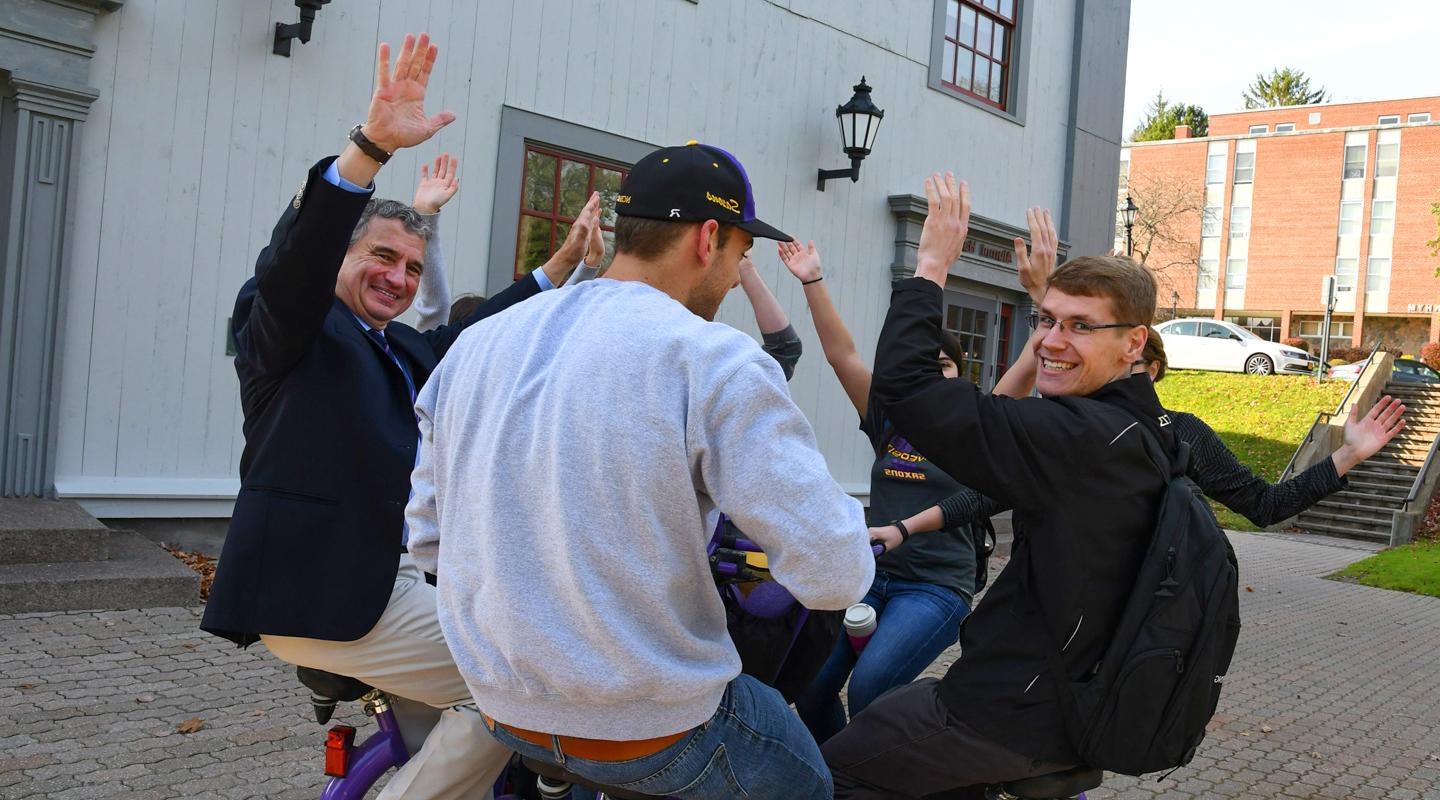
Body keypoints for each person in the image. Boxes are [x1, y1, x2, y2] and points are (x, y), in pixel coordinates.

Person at [406, 141, 883, 800]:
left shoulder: (475, 346)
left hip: (504, 709)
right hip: (651, 729)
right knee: (809, 781)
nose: (733, 275)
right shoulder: (712, 358)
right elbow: (835, 575)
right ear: (708, 238)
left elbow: (429, 538)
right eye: (740, 257)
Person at [199, 34, 594, 799]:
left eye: (412, 268)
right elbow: (294, 261)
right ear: (342, 257)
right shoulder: (293, 325)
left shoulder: (395, 347)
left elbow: (465, 336)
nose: (398, 277)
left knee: (466, 748)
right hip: (322, 592)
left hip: (383, 581)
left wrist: (556, 268)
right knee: (522, 684)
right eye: (381, 256)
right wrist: (369, 148)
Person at [821, 172, 1180, 798]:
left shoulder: (1076, 437)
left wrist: (932, 264)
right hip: (1056, 697)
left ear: (1134, 344)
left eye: (1079, 326)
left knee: (836, 769)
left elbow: (905, 388)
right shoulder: (1140, 428)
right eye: (1049, 322)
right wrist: (1056, 302)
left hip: (1010, 709)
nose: (1054, 341)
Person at [786, 208, 1058, 744]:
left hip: (934, 587)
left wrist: (1042, 297)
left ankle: (878, 773)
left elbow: (1030, 362)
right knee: (812, 688)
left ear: (961, 376)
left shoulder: (980, 424)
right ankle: (839, 774)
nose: (935, 375)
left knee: (870, 687)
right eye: (926, 365)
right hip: (866, 573)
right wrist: (813, 280)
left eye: (946, 366)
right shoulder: (889, 417)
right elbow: (841, 355)